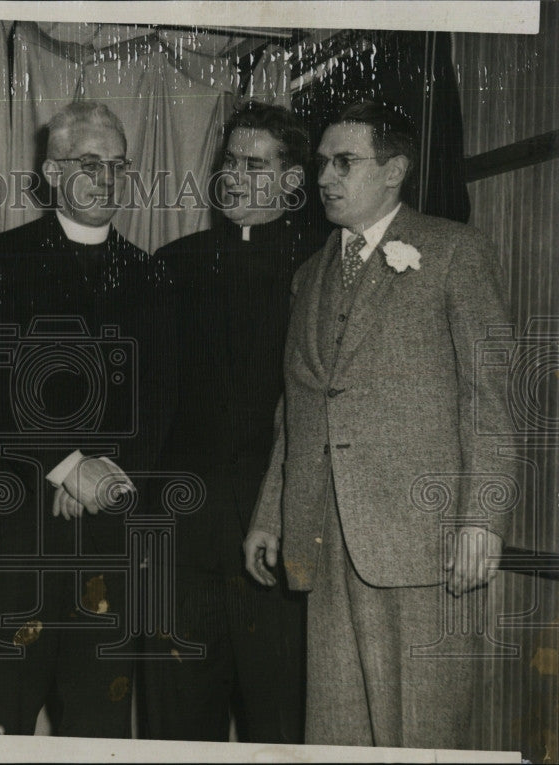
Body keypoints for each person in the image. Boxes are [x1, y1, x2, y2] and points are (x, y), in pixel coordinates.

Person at [243, 100, 515, 748]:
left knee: (421, 731)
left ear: (394, 169)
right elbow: (297, 408)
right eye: (321, 164)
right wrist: (270, 511)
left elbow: (492, 395)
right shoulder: (309, 275)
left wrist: (485, 514)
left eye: (345, 162)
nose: (325, 178)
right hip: (324, 539)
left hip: (423, 544)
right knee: (338, 735)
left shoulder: (453, 251)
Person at [0, 100, 174, 737]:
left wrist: (105, 475)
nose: (107, 177)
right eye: (89, 163)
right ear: (52, 173)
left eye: (118, 165)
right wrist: (67, 466)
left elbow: (159, 399)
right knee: (2, 720)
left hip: (109, 534)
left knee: (99, 724)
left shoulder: (151, 274)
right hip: (17, 529)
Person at [142, 101, 322, 743]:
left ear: (294, 180)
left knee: (280, 726)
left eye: (256, 163)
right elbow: (149, 405)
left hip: (273, 548)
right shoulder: (172, 264)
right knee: (175, 727)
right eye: (229, 162)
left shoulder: (320, 269)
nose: (236, 175)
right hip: (180, 547)